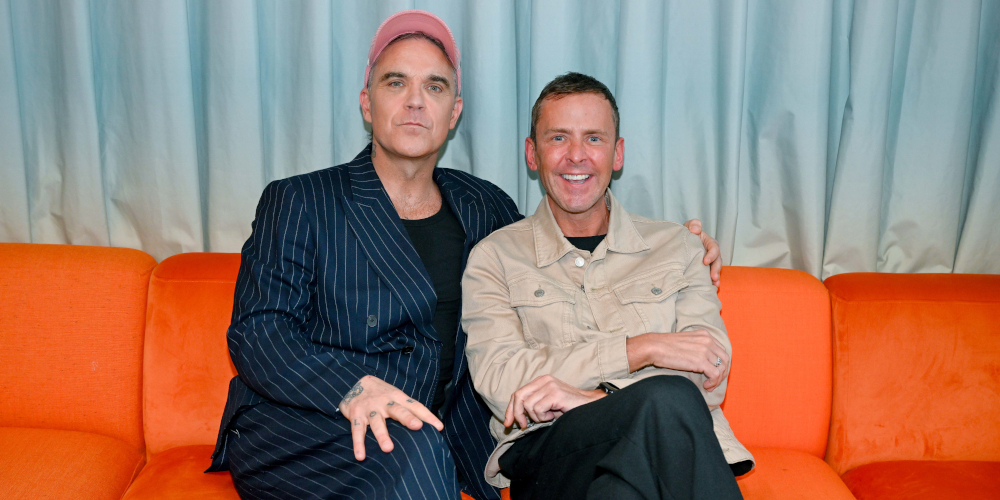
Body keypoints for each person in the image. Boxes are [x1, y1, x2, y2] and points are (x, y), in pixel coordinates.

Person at [207, 10, 724, 500]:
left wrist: (679, 244)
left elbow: (558, 240)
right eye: (396, 83)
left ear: (453, 112)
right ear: (367, 103)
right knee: (414, 450)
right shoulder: (301, 200)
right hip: (306, 421)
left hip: (436, 432)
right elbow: (259, 331)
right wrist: (354, 389)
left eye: (435, 86)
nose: (416, 101)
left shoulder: (483, 206)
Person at [461, 72, 754, 500]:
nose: (576, 156)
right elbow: (503, 383)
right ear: (532, 154)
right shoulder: (494, 258)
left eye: (594, 139)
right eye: (558, 138)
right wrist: (643, 348)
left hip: (654, 451)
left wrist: (593, 396)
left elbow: (710, 369)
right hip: (551, 455)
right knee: (667, 397)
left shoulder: (678, 246)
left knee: (624, 487)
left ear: (617, 154)